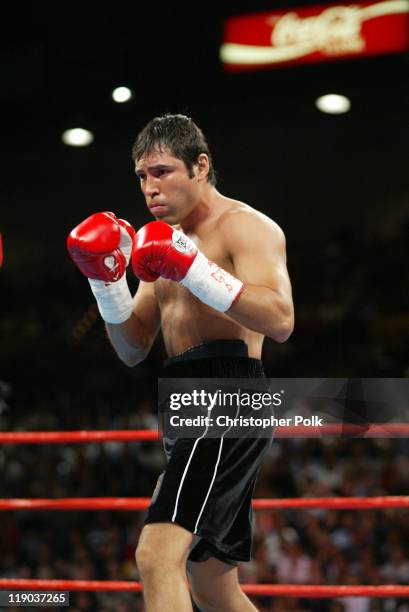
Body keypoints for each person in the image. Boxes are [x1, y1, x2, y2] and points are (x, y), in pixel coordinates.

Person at [67, 114, 294, 611]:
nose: (150, 187)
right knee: (212, 581)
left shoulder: (245, 226)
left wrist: (195, 269)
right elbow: (133, 348)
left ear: (201, 166)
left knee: (155, 554)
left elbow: (280, 319)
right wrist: (106, 284)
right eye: (142, 177)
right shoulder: (160, 243)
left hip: (227, 393)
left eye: (163, 171)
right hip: (184, 396)